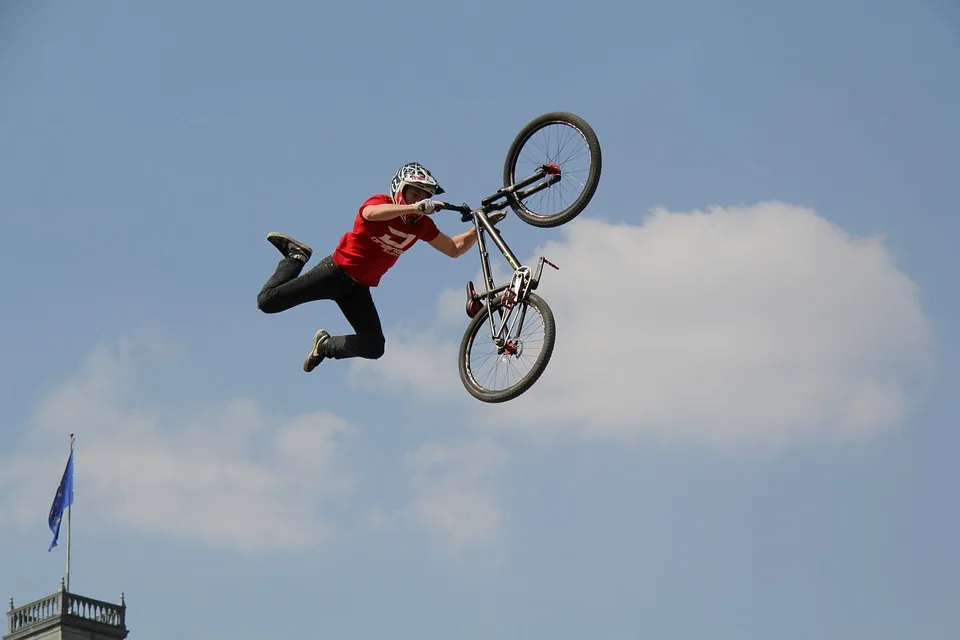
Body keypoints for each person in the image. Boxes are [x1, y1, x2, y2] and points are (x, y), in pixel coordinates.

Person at [256, 162, 505, 373]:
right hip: (333, 273)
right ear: (400, 191)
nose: (420, 201)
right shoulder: (381, 202)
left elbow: (453, 248)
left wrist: (479, 228)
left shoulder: (421, 226)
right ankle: (296, 255)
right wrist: (413, 207)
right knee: (267, 301)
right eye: (415, 194)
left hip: (357, 289)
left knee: (374, 347)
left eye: (425, 197)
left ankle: (324, 346)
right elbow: (371, 214)